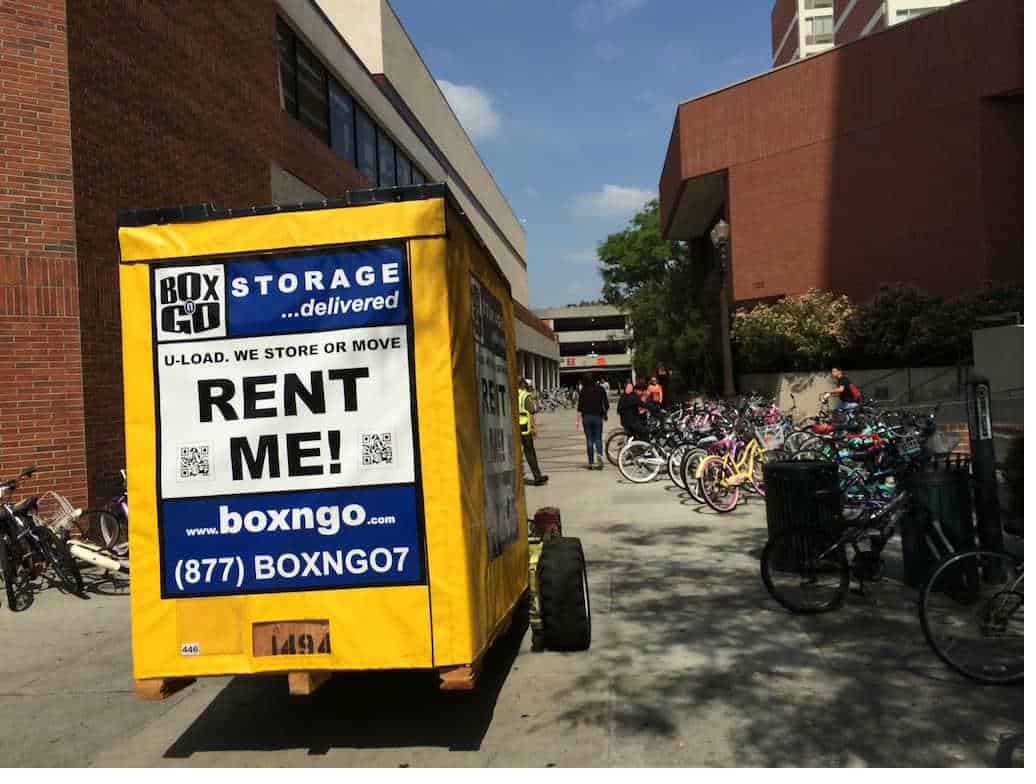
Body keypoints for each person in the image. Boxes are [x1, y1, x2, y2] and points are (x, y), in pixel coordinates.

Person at [517, 378, 548, 485]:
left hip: (513, 427)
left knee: (516, 453)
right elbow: (532, 410)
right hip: (524, 427)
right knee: (530, 452)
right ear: (523, 385)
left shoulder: (510, 393)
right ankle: (537, 476)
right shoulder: (525, 395)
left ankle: (518, 476)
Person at [577, 373, 609, 470]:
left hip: (586, 417)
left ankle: (591, 462)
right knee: (598, 438)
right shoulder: (600, 389)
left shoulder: (583, 390)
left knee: (589, 439)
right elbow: (606, 403)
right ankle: (599, 455)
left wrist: (578, 420)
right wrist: (605, 414)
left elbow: (580, 406)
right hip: (597, 416)